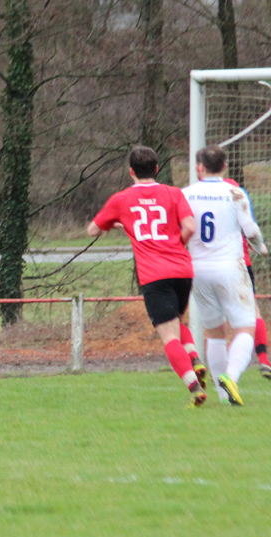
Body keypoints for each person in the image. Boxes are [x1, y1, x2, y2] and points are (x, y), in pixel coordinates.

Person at [87, 146, 206, 407]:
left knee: (168, 335)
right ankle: (194, 357)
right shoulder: (174, 193)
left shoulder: (121, 199)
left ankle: (194, 387)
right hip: (182, 269)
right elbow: (189, 227)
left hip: (154, 273)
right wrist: (178, 243)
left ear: (131, 171)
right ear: (156, 169)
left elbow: (92, 229)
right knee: (175, 321)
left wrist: (115, 224)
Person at [182, 145, 268, 406]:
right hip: (230, 268)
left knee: (214, 331)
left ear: (199, 168)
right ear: (225, 167)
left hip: (198, 269)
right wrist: (259, 245)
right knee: (246, 328)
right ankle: (231, 378)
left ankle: (223, 397)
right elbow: (250, 230)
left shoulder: (185, 194)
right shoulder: (234, 193)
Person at [222, 177, 271, 380]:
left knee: (217, 324)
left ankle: (223, 370)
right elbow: (248, 227)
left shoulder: (196, 192)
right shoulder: (235, 189)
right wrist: (259, 246)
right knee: (253, 313)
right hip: (241, 263)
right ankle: (264, 361)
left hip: (210, 265)